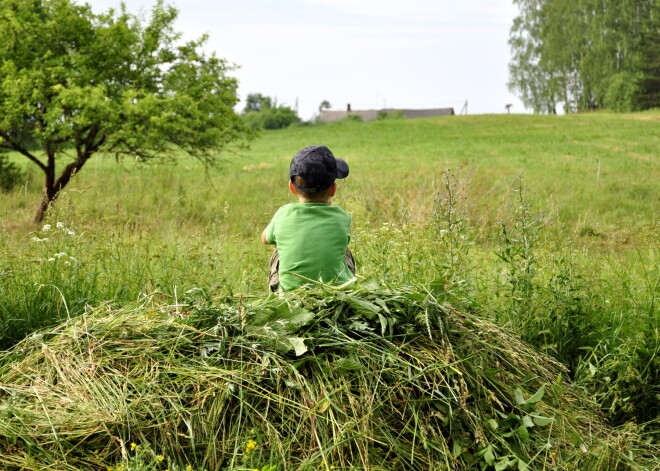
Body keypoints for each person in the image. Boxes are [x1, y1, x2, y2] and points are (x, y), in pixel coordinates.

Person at [261, 145, 356, 292]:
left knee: (279, 247)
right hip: (336, 294)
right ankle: (343, 284)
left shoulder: (283, 214)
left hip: (290, 298)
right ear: (333, 189)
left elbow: (265, 239)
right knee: (344, 250)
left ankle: (284, 289)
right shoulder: (342, 218)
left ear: (291, 188)